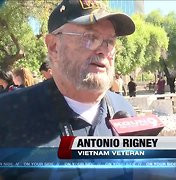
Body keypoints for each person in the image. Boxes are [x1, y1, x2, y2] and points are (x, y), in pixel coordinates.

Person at [0, 0, 135, 147]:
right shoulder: (8, 116)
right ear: (54, 46)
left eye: (110, 41)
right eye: (90, 37)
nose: (103, 50)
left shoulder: (124, 110)